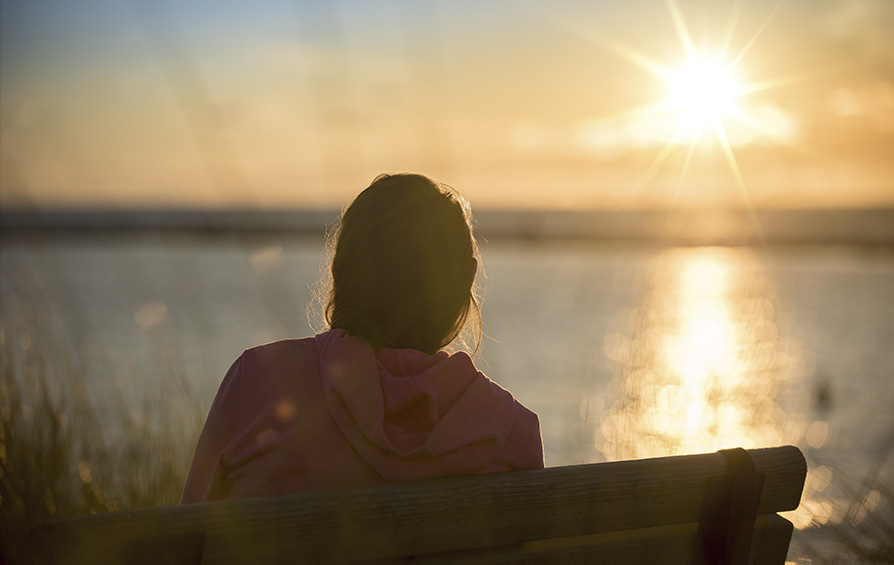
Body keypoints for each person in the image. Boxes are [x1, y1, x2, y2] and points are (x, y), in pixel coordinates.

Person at [180, 173, 544, 503]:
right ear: (466, 280)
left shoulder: (258, 382)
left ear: (342, 270)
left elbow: (186, 541)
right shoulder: (512, 432)